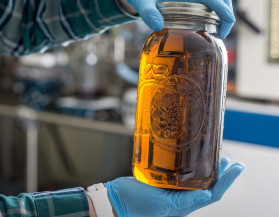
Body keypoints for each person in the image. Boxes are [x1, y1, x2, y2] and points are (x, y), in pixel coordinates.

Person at [0, 0, 244, 217]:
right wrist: (103, 207)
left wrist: (118, 2)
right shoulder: (158, 42)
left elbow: (19, 22)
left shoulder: (210, 47)